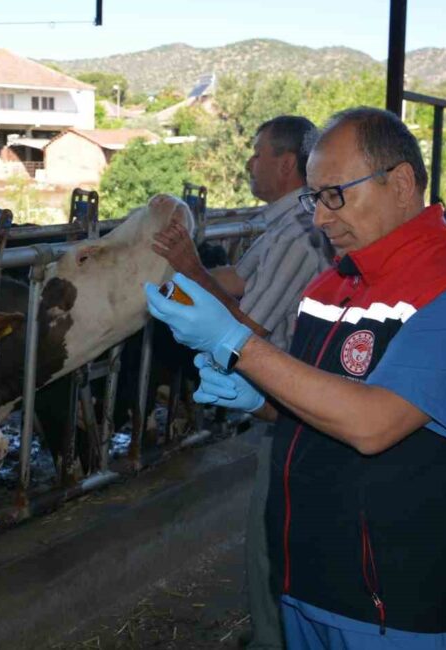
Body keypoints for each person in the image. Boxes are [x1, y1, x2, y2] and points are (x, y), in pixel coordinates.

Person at [145, 107, 446, 649]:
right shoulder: (334, 286)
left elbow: (372, 422)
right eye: (313, 198)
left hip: (393, 603)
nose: (320, 218)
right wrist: (256, 397)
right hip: (308, 577)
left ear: (401, 184)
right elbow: (314, 400)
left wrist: (239, 345)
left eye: (335, 194)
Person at [152, 114, 331, 650]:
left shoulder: (302, 230)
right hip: (280, 396)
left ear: (284, 162)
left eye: (257, 154)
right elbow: (237, 280)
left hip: (288, 400)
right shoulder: (281, 222)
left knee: (270, 536)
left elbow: (250, 324)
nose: (250, 163)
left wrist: (187, 266)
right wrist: (177, 268)